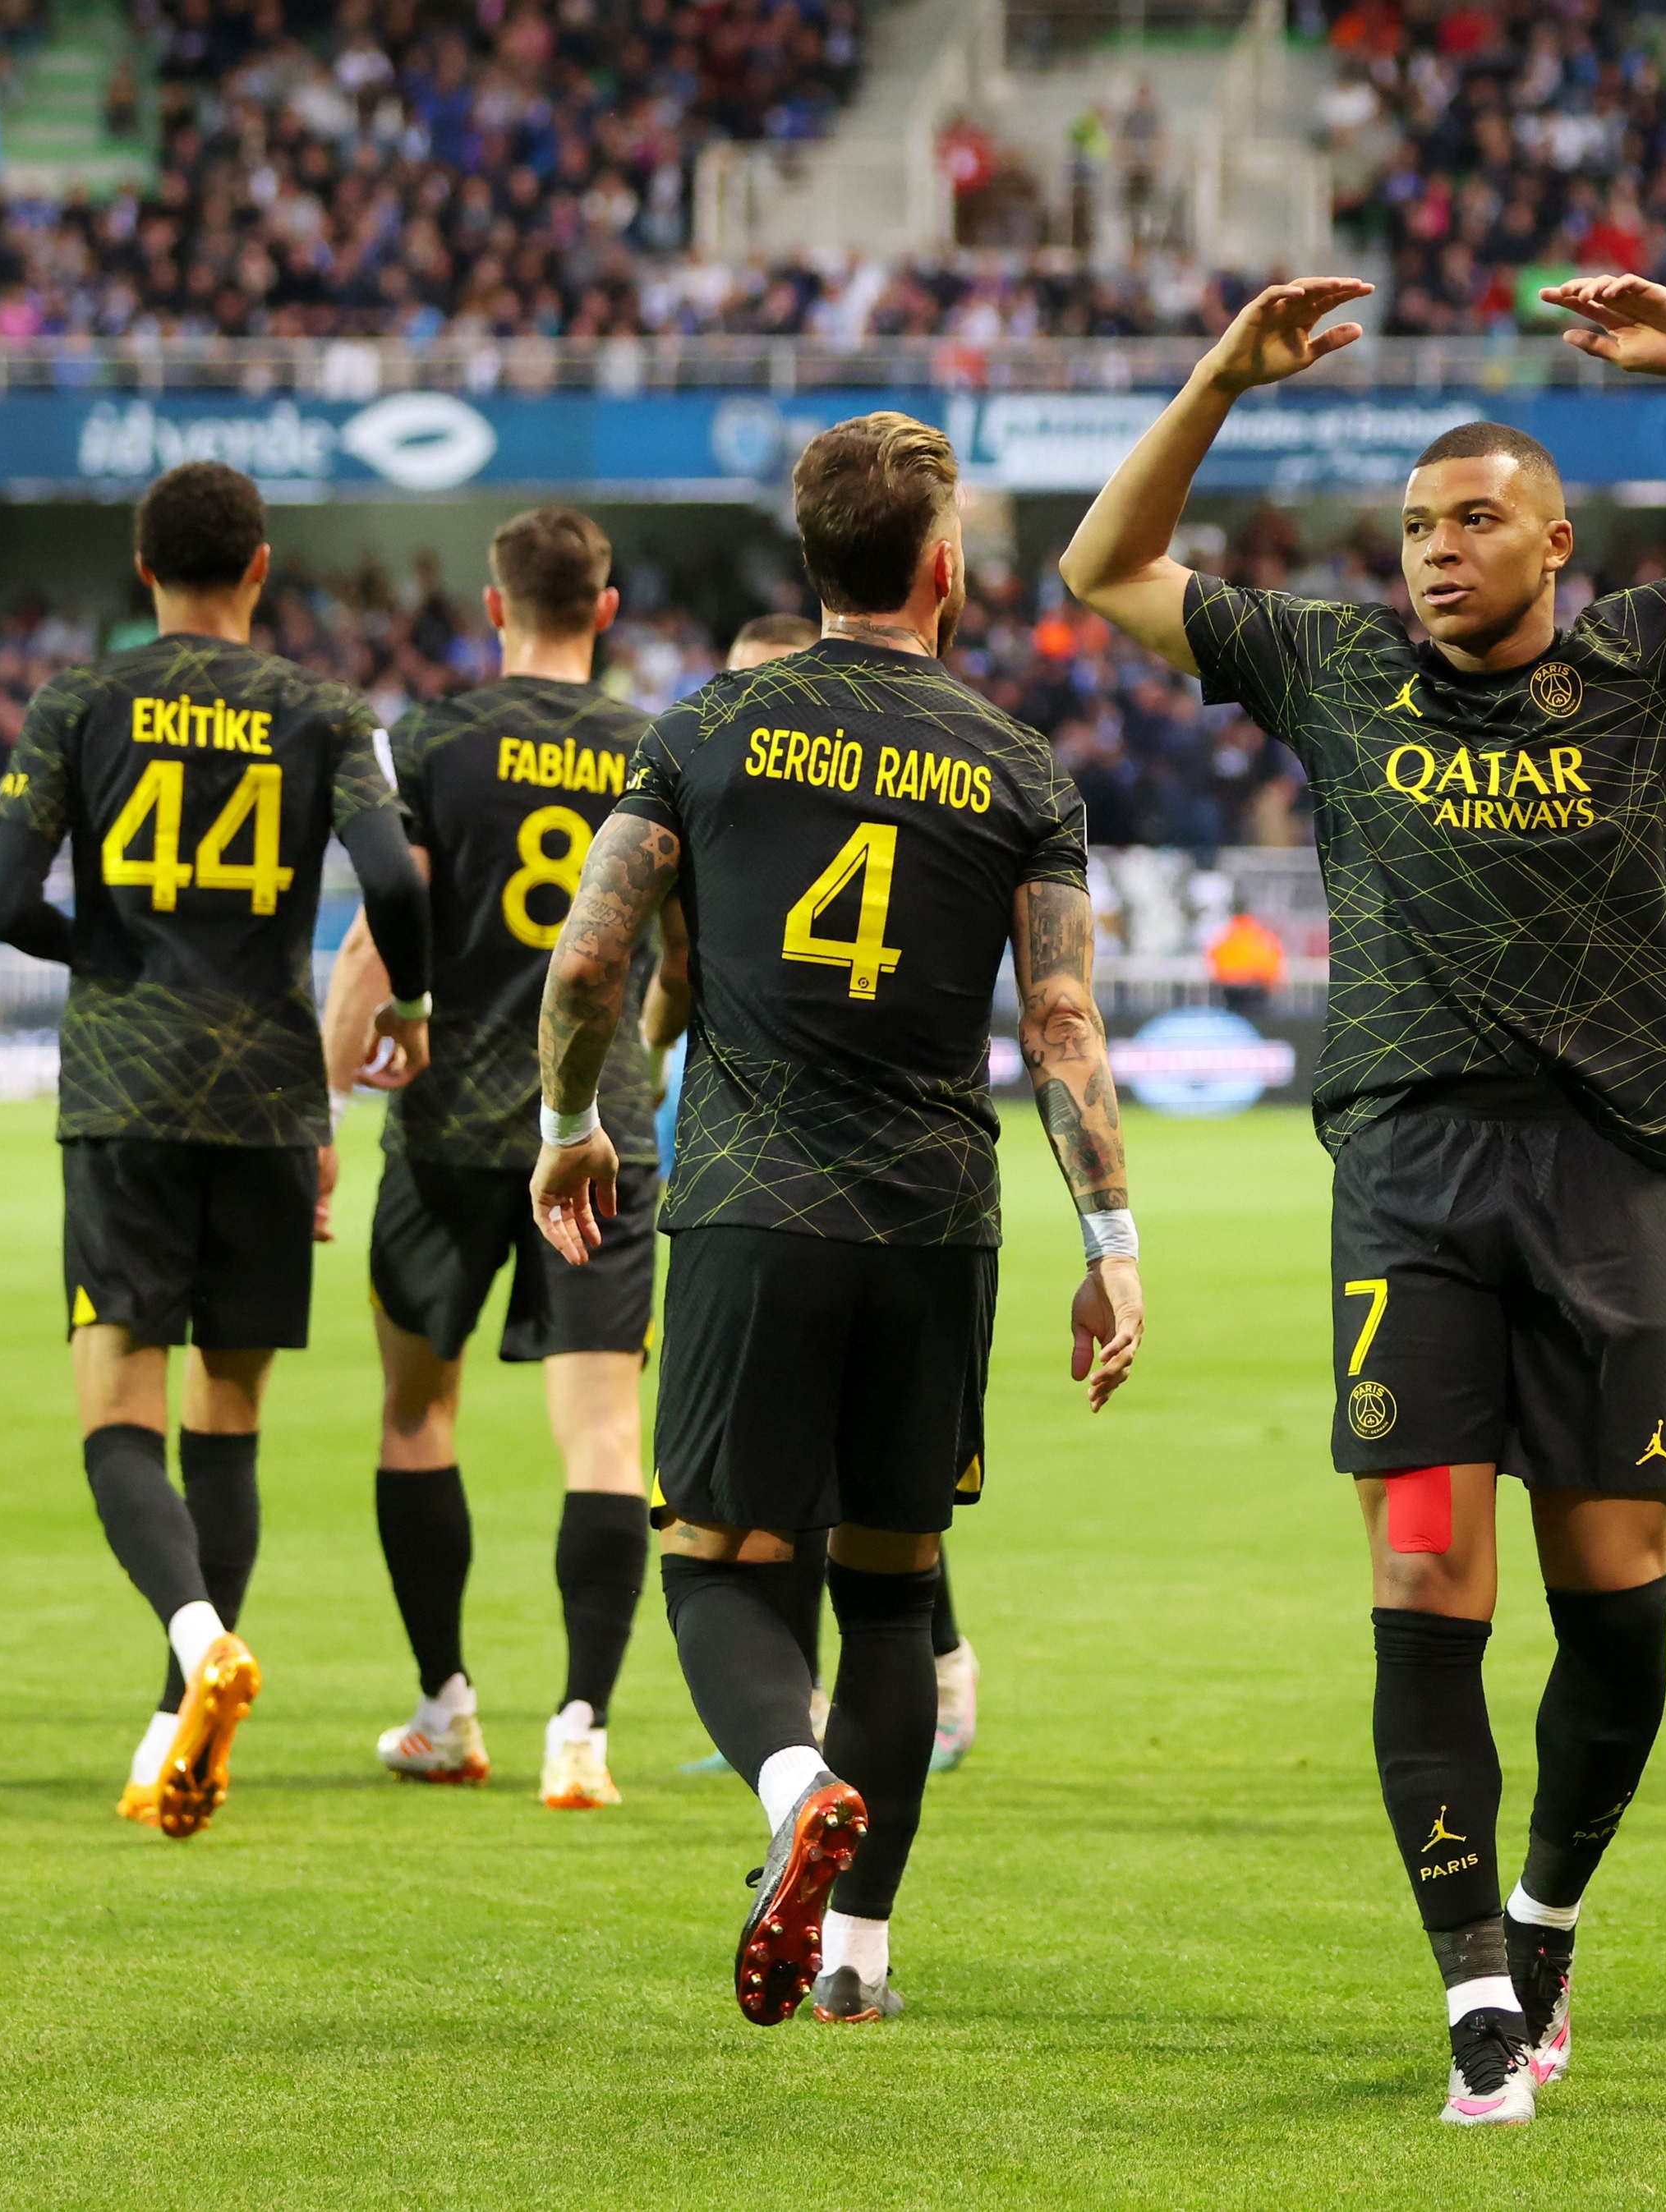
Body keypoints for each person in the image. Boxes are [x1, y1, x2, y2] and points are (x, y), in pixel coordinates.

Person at [1060, 272, 1666, 2125]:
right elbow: (1104, 565)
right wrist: (1220, 368)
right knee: (1422, 1566)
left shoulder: (1654, 654)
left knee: (1614, 1602)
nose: (1433, 553)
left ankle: (1542, 1917)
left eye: (1467, 522)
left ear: (1554, 537)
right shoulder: (1331, 667)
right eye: (1410, 530)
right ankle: (1467, 1993)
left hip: (1600, 1179)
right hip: (1411, 1188)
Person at [531, 412, 1142, 2027]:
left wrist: (562, 1126)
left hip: (747, 1201)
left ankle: (793, 1780)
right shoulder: (1018, 765)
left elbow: (591, 959)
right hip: (937, 1219)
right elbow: (1061, 1027)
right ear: (943, 568)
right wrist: (1112, 1246)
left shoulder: (708, 725)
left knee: (719, 1563)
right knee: (892, 1581)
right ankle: (859, 1957)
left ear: (811, 567)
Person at [0, 459, 436, 1837]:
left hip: (123, 1084)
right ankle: (179, 1719)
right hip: (268, 1092)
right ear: (260, 567)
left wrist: (100, 949)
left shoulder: (78, 700)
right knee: (225, 1425)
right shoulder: (324, 708)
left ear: (142, 569)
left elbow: (5, 899)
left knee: (118, 1415)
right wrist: (403, 1007)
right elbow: (399, 878)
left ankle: (194, 1644)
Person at [316, 506, 676, 1812]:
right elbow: (681, 957)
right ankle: (579, 1725)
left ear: (491, 606)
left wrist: (323, 1104)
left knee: (418, 1413)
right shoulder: (658, 747)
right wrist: (643, 1040)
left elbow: (376, 937)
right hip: (597, 1137)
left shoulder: (436, 738)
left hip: (448, 1130)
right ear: (609, 607)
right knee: (601, 1435)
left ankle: (446, 1705)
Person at [698, 609, 987, 1779]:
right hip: (881, 1190)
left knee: (818, 1497)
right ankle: (821, 1731)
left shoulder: (820, 777)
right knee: (846, 1495)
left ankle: (875, 1698)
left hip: (811, 1176)